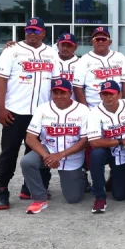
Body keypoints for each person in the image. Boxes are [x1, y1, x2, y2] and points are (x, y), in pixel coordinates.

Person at [0, 17, 59, 210]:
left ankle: (29, 188)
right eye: (29, 30)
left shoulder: (51, 53)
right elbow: (1, 82)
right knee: (9, 152)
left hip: (42, 114)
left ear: (43, 33)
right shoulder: (12, 51)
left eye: (36, 30)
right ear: (25, 32)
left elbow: (56, 83)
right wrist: (1, 108)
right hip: (16, 112)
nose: (32, 33)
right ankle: (3, 189)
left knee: (39, 153)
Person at [20, 78, 89, 214]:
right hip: (49, 150)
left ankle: (82, 177)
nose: (59, 96)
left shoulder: (83, 110)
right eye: (55, 93)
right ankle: (40, 199)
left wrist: (61, 155)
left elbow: (85, 140)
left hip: (72, 155)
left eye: (63, 93)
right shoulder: (43, 108)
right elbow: (30, 138)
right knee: (27, 162)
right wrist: (47, 156)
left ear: (70, 93)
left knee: (73, 198)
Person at [87, 80, 125, 213]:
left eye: (112, 94)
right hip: (107, 149)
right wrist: (119, 141)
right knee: (96, 154)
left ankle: (122, 177)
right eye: (105, 94)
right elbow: (94, 142)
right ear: (100, 96)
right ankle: (99, 197)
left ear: (119, 94)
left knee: (120, 196)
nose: (108, 97)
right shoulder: (94, 113)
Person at [73, 27, 125, 108]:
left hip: (118, 107)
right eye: (97, 39)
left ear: (110, 42)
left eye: (103, 39)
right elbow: (77, 87)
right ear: (92, 42)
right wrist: (86, 109)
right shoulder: (84, 60)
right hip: (94, 107)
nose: (100, 41)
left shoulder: (120, 57)